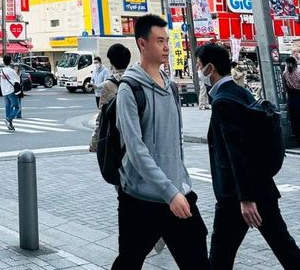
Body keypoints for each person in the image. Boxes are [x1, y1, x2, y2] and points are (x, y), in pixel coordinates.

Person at [113, 14, 210, 269]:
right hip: (141, 199)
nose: (166, 47)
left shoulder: (171, 86)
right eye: (159, 41)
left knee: (197, 258)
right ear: (142, 44)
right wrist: (169, 192)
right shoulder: (129, 89)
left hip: (177, 194)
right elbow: (136, 150)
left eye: (166, 41)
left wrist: (181, 184)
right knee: (129, 261)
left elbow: (175, 142)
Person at [198, 43, 300, 269]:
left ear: (210, 68)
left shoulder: (223, 101)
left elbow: (237, 152)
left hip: (237, 197)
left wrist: (246, 198)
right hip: (261, 187)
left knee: (220, 257)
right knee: (285, 247)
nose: (198, 70)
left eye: (199, 65)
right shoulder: (240, 91)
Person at [89, 43, 130, 152]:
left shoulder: (109, 85)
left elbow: (102, 117)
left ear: (111, 63)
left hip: (115, 138)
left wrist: (94, 143)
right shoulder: (135, 80)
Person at [0, 54, 20, 131]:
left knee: (8, 107)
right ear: (10, 61)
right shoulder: (11, 71)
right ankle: (9, 119)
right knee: (17, 107)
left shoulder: (2, 71)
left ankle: (9, 124)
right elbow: (17, 80)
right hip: (11, 90)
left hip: (4, 91)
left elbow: (2, 82)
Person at [282, 56, 300, 141]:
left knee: (294, 116)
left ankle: (296, 134)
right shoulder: (298, 72)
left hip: (291, 96)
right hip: (298, 94)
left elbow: (285, 86)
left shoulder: (285, 73)